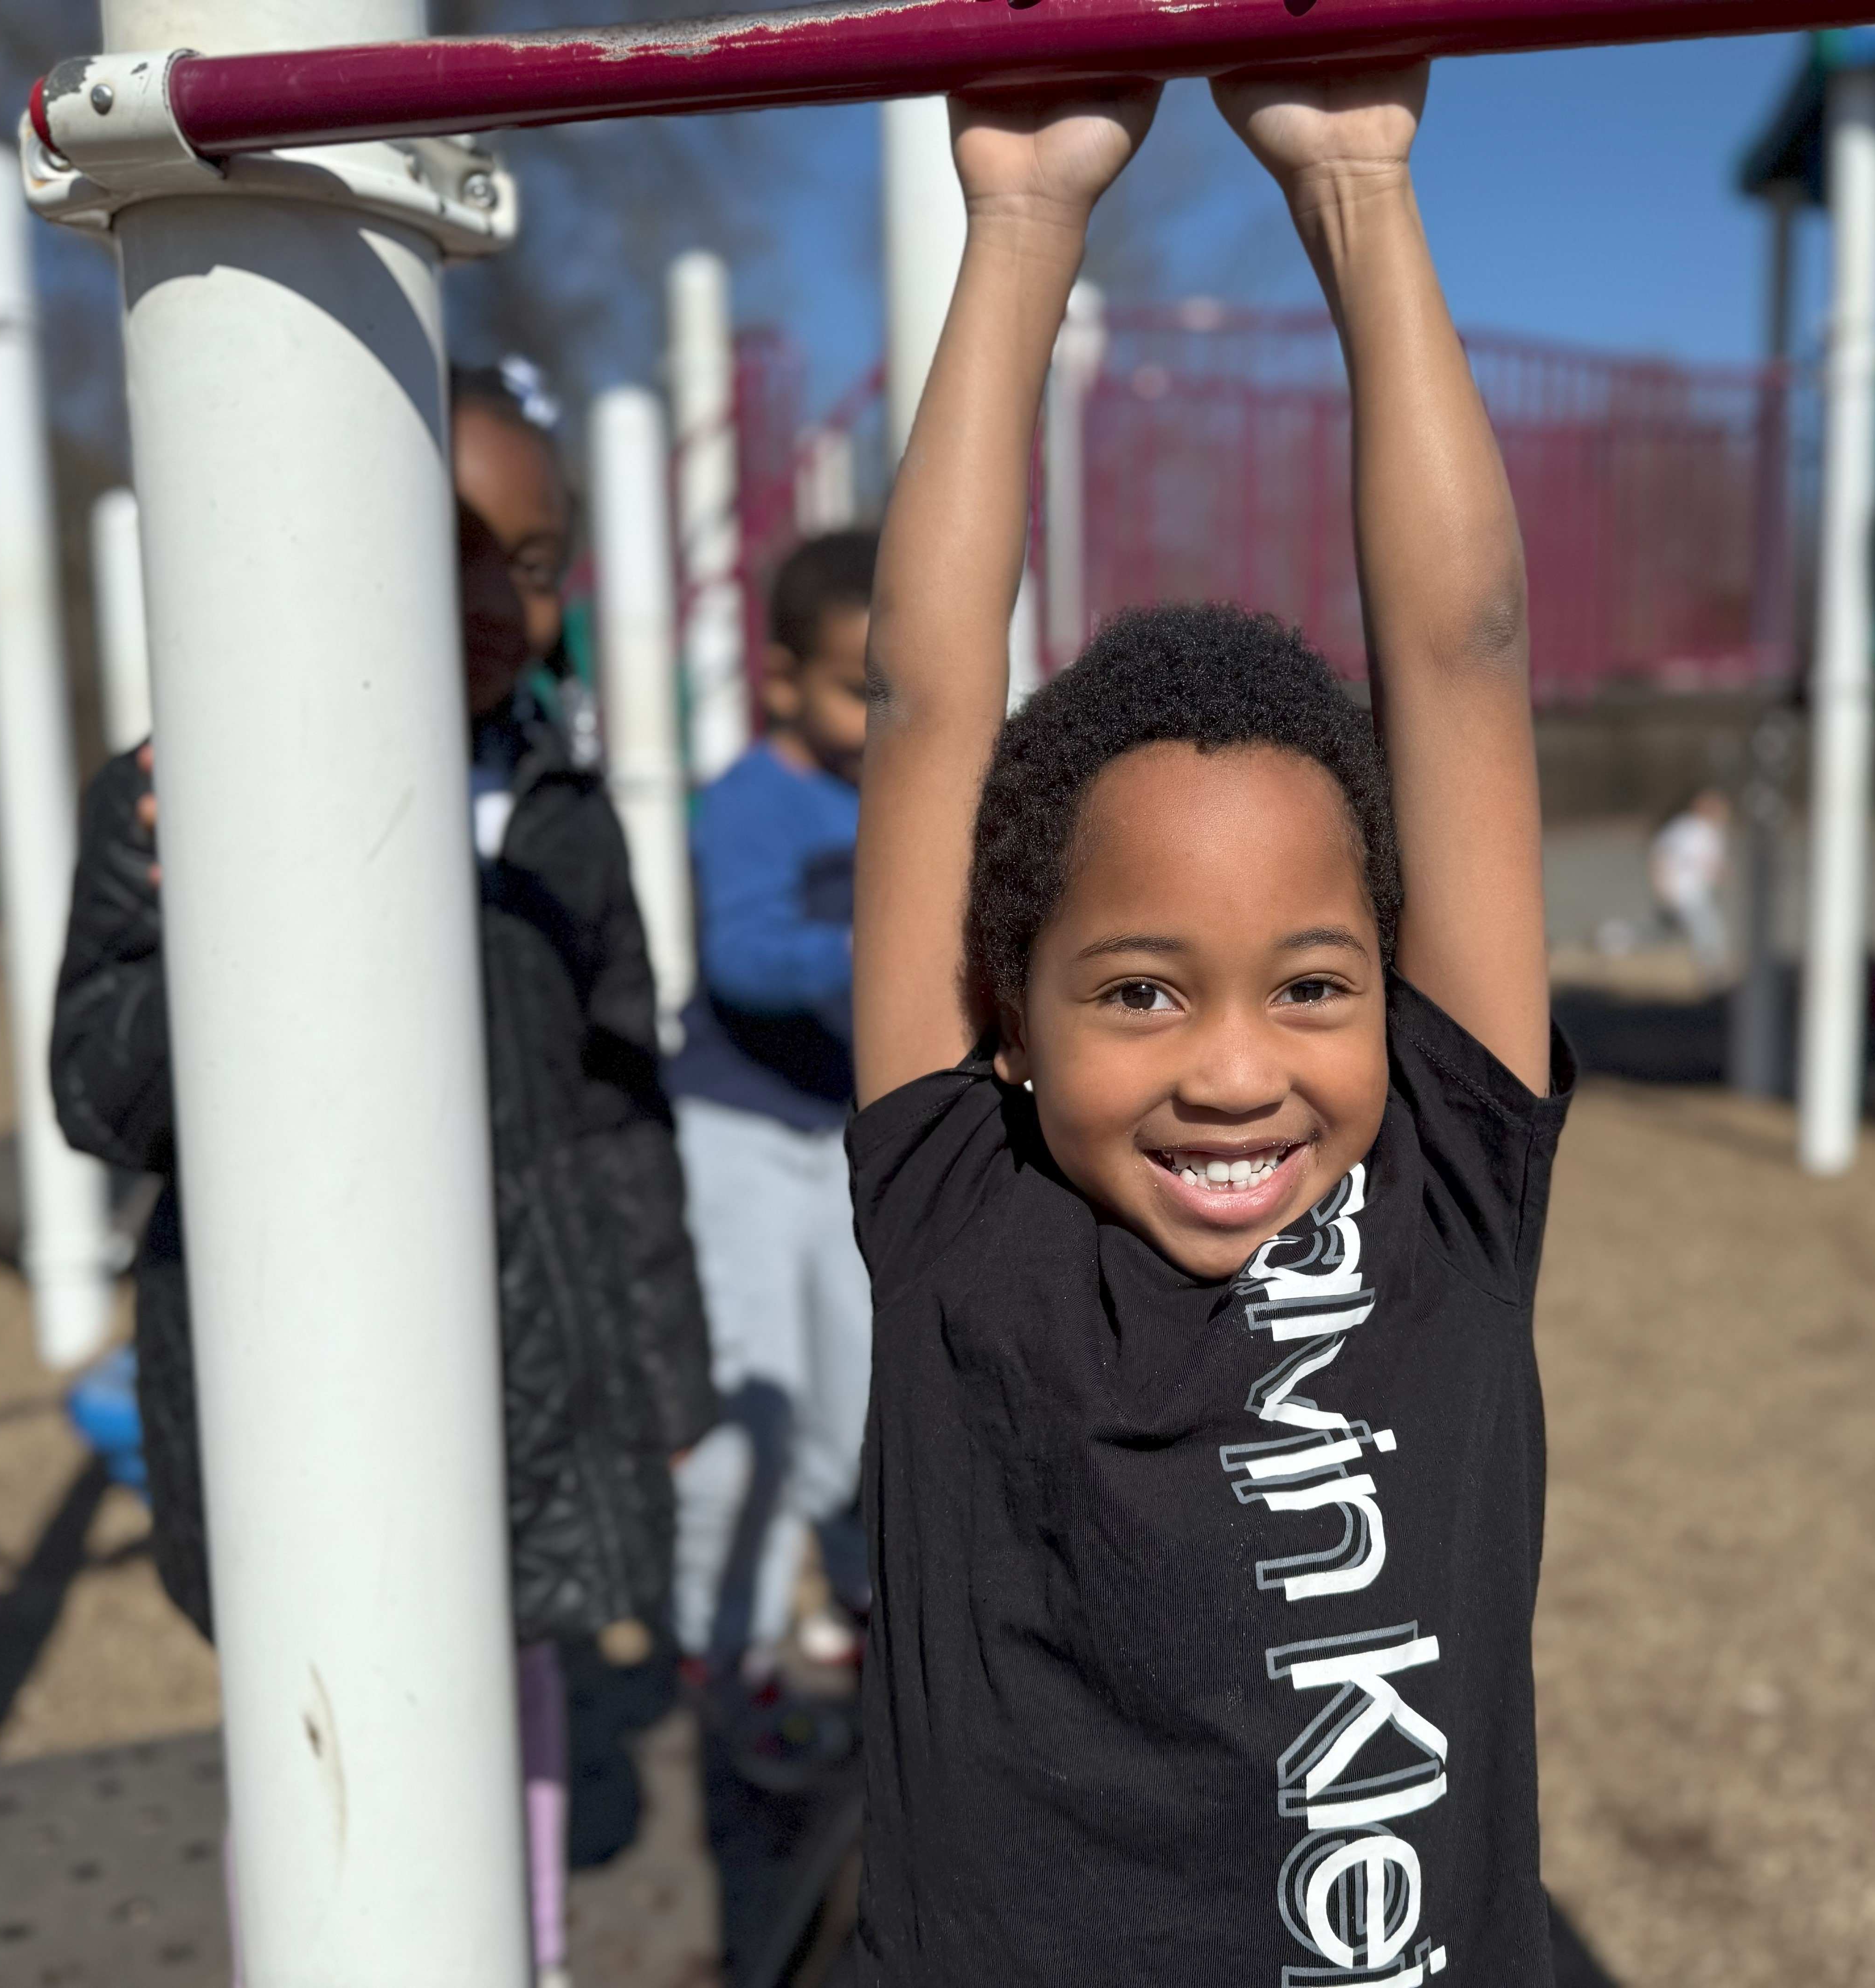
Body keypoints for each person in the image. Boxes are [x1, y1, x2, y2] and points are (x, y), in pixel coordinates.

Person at [846, 68, 1572, 1982]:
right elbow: (927, 701)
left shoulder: (1450, 1189)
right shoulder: (959, 1209)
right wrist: (1020, 228)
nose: (1236, 1066)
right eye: (1140, 989)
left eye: (1314, 987)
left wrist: (1356, 186)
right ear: (1007, 1015)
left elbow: (1463, 657)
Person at [50, 362, 716, 1988]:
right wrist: (240, 890)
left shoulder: (559, 801)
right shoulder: (173, 798)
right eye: (446, 542)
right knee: (326, 1724)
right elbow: (100, 1081)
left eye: (537, 556)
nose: (497, 595)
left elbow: (620, 1088)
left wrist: (663, 1352)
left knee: (517, 1709)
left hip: (534, 1362)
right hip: (316, 1374)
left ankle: (522, 1957)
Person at [665, 530, 876, 1689]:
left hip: (848, 1138)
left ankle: (861, 1600)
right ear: (783, 679)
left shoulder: (904, 789)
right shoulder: (751, 801)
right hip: (740, 1132)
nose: (882, 715)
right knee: (751, 1396)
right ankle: (723, 1645)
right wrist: (868, 953)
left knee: (861, 1399)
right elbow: (741, 958)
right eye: (860, 688)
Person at [1648, 784, 1733, 983]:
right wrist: (1661, 887)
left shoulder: (1711, 830)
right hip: (1683, 892)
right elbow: (1660, 854)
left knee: (1665, 932)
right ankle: (1714, 976)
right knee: (1709, 932)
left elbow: (1708, 863)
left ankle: (1613, 938)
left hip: (1697, 893)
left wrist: (1722, 875)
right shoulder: (1687, 828)